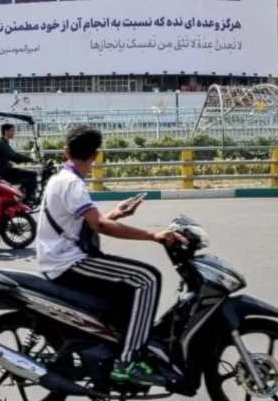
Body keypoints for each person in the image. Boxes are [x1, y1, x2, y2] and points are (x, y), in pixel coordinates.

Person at [36, 124, 186, 387]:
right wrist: (153, 235)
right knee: (146, 278)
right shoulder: (73, 185)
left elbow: (85, 223)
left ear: (65, 152)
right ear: (96, 156)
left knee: (129, 286)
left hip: (59, 258)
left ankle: (116, 346)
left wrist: (117, 213)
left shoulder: (60, 179)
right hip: (68, 262)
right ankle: (128, 361)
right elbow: (100, 226)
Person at [0, 123, 38, 205]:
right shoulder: (2, 144)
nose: (14, 132)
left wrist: (26, 160)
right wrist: (31, 159)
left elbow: (14, 157)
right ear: (6, 132)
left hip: (5, 170)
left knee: (26, 175)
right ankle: (28, 199)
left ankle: (21, 193)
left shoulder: (3, 143)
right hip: (5, 171)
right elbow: (14, 156)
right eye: (12, 130)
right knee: (33, 174)